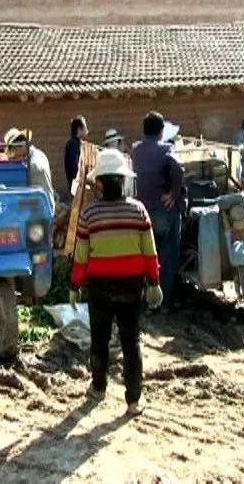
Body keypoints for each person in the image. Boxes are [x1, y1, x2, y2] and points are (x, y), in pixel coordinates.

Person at [69, 149, 163, 416]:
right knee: (130, 342)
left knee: (99, 339)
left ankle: (98, 388)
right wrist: (154, 282)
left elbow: (81, 257)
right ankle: (133, 400)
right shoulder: (139, 211)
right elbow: (150, 251)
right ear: (123, 180)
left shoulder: (89, 214)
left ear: (99, 183)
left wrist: (74, 286)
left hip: (99, 287)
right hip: (132, 287)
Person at [132, 111, 184, 312]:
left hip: (143, 212)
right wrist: (173, 193)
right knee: (168, 256)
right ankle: (166, 302)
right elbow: (179, 169)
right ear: (162, 131)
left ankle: (147, 302)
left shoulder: (136, 150)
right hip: (164, 211)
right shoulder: (167, 149)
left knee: (147, 257)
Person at [4, 128, 55, 214]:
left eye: (14, 150)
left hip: (42, 208)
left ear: (20, 146)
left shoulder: (35, 161)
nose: (14, 154)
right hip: (38, 205)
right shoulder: (37, 154)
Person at [64, 116, 89, 192]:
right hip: (78, 187)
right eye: (85, 128)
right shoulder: (74, 144)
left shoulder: (75, 143)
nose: (87, 131)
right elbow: (75, 165)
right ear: (79, 129)